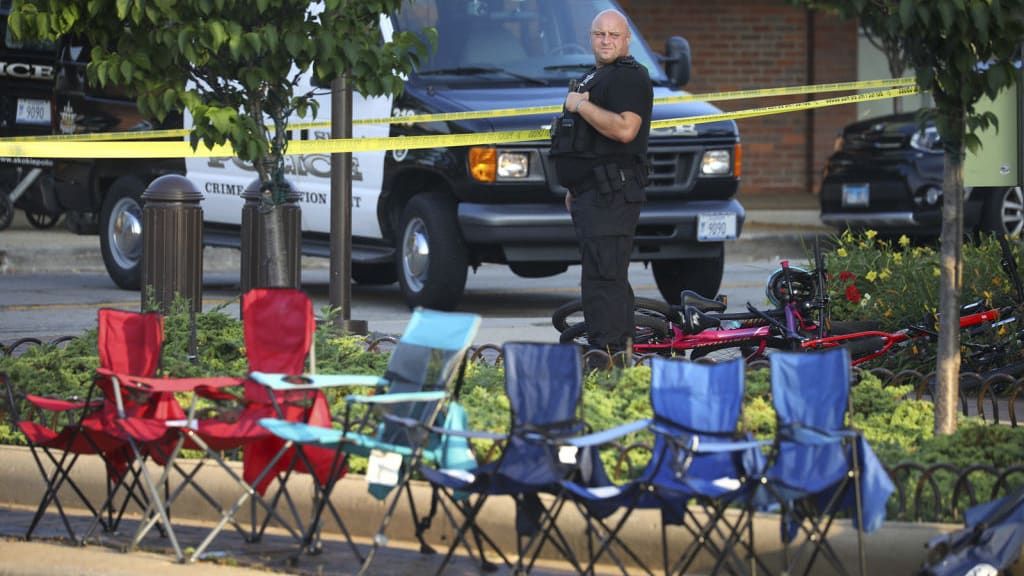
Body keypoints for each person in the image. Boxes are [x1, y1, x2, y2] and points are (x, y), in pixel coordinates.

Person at [552, 9, 653, 357]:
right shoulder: (597, 77)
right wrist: (574, 186)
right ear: (591, 37)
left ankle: (609, 355)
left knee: (605, 278)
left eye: (613, 35)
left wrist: (581, 106)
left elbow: (625, 130)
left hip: (614, 194)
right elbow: (588, 145)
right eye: (599, 34)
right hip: (592, 194)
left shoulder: (630, 78)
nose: (606, 41)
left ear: (626, 40)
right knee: (600, 277)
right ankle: (612, 351)